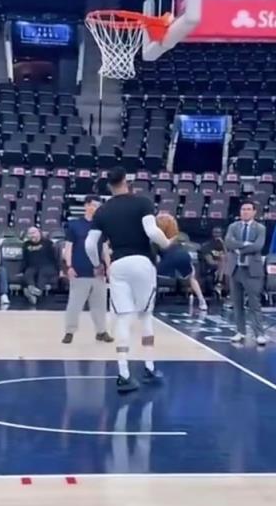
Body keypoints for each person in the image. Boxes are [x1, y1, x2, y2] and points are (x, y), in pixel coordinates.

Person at [85, 164, 172, 393]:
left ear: (109, 185)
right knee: (145, 316)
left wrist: (97, 265)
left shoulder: (102, 211)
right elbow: (152, 232)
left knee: (123, 318)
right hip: (142, 262)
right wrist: (167, 244)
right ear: (126, 181)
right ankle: (149, 367)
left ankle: (123, 374)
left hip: (118, 265)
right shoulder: (142, 202)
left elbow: (90, 244)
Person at [62, 195, 113, 344]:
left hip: (98, 272)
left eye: (98, 206)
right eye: (93, 205)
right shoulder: (74, 225)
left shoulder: (102, 226)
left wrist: (108, 267)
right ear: (86, 206)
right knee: (74, 304)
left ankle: (101, 331)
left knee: (100, 305)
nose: (95, 208)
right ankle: (69, 331)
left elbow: (104, 249)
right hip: (79, 270)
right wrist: (69, 266)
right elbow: (68, 248)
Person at [225, 200, 267, 346]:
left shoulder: (260, 228)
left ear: (254, 212)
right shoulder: (233, 226)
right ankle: (240, 331)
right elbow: (228, 243)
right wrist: (244, 244)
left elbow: (257, 246)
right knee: (237, 303)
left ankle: (259, 334)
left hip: (252, 270)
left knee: (254, 304)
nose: (245, 212)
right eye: (243, 209)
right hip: (235, 268)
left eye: (249, 209)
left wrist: (239, 249)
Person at [155, 219, 208, 312]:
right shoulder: (177, 236)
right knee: (192, 277)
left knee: (152, 275)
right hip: (183, 255)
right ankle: (202, 301)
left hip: (171, 256)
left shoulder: (157, 238)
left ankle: (150, 300)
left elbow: (155, 255)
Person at [21, 225, 57, 306]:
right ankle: (32, 290)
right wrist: (21, 271)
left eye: (33, 233)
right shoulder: (26, 245)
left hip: (47, 267)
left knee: (42, 273)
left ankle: (35, 293)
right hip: (32, 267)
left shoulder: (48, 243)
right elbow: (24, 260)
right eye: (30, 234)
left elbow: (54, 258)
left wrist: (59, 270)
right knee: (28, 272)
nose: (32, 235)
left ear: (39, 233)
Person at [199, 226, 227, 295]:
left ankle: (219, 282)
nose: (217, 235)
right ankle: (219, 282)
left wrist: (223, 244)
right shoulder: (207, 246)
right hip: (212, 269)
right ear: (212, 233)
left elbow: (229, 258)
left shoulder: (225, 245)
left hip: (225, 269)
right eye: (215, 233)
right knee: (222, 260)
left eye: (219, 233)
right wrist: (221, 264)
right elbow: (210, 261)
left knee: (223, 258)